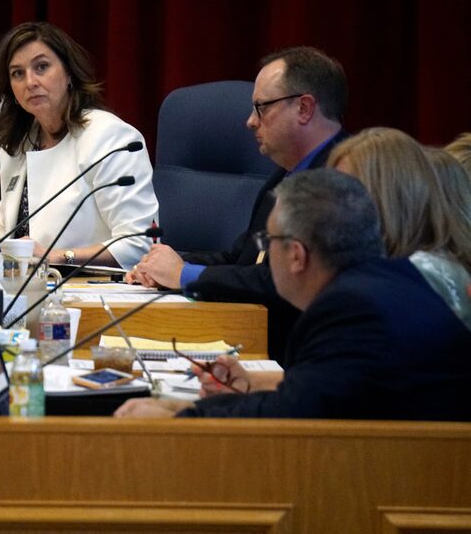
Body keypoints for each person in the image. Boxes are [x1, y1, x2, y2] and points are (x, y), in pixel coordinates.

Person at [115, 169, 471, 420]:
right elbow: (333, 388)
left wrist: (182, 414)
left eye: (269, 243)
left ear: (297, 255)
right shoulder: (390, 282)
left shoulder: (349, 309)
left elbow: (290, 413)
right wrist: (253, 380)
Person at [127, 46, 348, 361]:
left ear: (304, 108)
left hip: (305, 358)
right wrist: (166, 264)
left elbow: (281, 280)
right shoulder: (285, 176)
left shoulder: (341, 179)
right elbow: (242, 256)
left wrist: (186, 275)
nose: (250, 122)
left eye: (261, 107)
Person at [0, 22, 158, 270]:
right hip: (27, 287)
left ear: (69, 72)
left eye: (41, 67)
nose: (30, 82)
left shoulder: (111, 138)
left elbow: (139, 242)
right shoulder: (15, 145)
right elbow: (5, 230)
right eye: (17, 73)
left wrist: (59, 257)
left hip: (95, 289)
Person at [328, 128, 470, 329]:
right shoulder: (400, 267)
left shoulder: (422, 272)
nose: (334, 207)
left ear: (388, 198)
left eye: (349, 193)